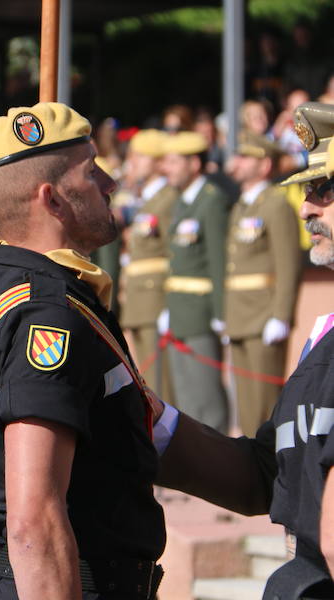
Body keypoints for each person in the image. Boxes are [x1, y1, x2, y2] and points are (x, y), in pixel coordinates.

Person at [0, 103, 167, 600]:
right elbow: (35, 521)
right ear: (53, 198)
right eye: (91, 171)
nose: (109, 182)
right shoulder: (49, 314)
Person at [156, 100, 334, 600]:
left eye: (326, 189)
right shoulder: (324, 338)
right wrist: (157, 426)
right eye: (308, 190)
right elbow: (269, 471)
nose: (308, 208)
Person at [223, 132, 302, 436]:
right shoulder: (242, 205)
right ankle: (254, 469)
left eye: (247, 157)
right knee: (245, 406)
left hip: (263, 313)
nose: (238, 163)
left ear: (265, 165)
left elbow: (288, 264)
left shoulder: (276, 204)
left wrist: (281, 315)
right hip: (240, 314)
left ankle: (271, 472)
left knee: (265, 405)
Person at [158, 131, 231, 432]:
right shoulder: (184, 203)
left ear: (194, 164)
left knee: (207, 398)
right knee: (187, 397)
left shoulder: (211, 202)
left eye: (174, 162)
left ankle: (219, 466)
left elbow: (218, 262)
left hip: (202, 313)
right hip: (180, 311)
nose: (167, 168)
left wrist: (220, 314)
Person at [119, 129, 178, 407]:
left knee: (161, 381)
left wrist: (170, 301)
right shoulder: (147, 199)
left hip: (156, 297)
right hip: (140, 297)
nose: (133, 161)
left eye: (141, 156)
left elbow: (173, 252)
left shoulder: (168, 199)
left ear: (157, 162)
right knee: (149, 376)